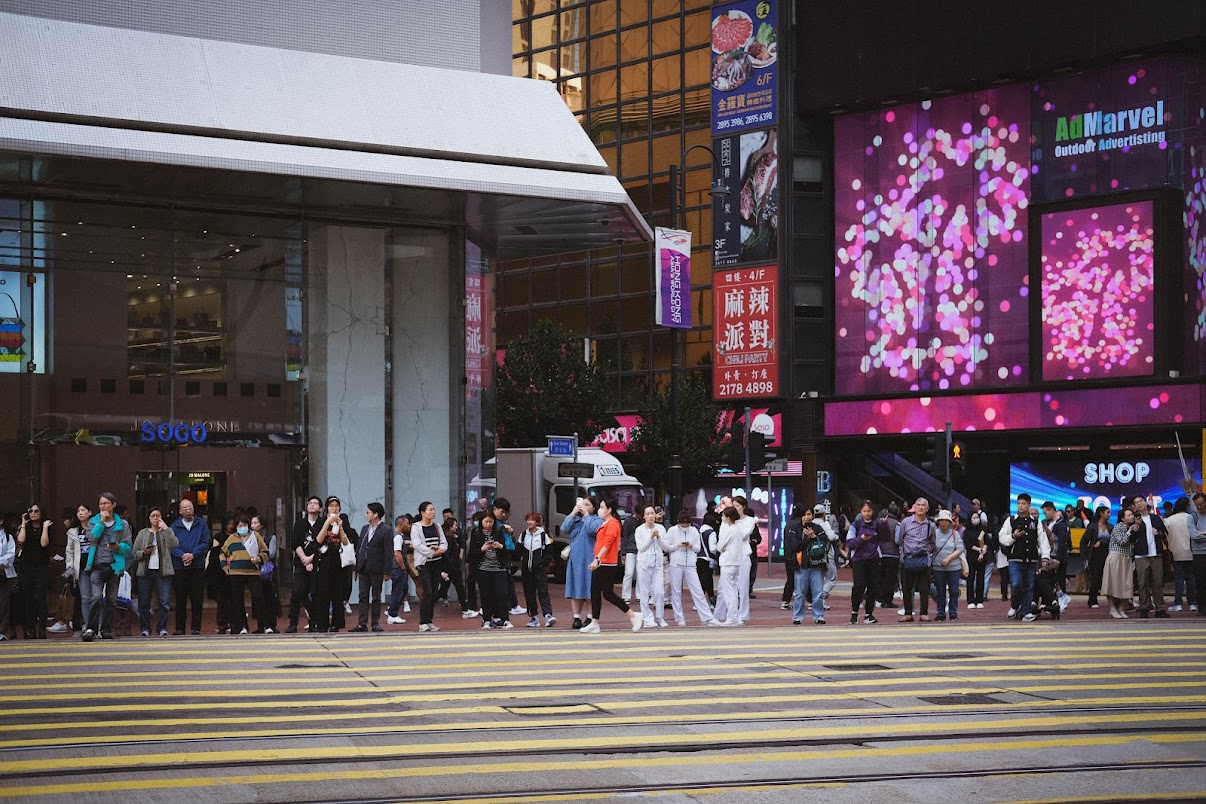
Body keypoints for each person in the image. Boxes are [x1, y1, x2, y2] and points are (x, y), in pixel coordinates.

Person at [579, 498, 641, 633]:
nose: (600, 510)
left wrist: (597, 559)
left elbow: (608, 543)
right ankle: (595, 622)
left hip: (607, 563)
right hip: (602, 562)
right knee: (595, 592)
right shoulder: (606, 523)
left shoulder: (613, 523)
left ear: (609, 510)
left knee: (608, 594)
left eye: (602, 507)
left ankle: (633, 615)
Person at [82, 493, 131, 641]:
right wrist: (101, 522)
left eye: (106, 503)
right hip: (97, 565)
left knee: (111, 599)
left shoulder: (122, 524)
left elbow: (128, 546)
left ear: (113, 505)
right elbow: (92, 537)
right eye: (101, 504)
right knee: (96, 597)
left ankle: (106, 629)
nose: (103, 506)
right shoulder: (93, 521)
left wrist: (118, 547)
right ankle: (91, 628)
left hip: (114, 566)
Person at [999, 493, 1050, 622]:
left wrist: (1045, 557)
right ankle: (1015, 605)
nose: (1020, 506)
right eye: (1019, 503)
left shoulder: (1035, 522)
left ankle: (1026, 612)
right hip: (1015, 558)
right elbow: (1002, 537)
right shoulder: (1011, 520)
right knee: (1016, 584)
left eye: (1023, 504)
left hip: (1031, 559)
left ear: (1028, 505)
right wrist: (1013, 536)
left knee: (1029, 586)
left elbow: (1043, 540)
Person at [663, 510, 716, 626]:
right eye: (682, 525)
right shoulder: (672, 531)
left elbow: (698, 548)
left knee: (698, 590)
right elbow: (666, 547)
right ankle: (679, 618)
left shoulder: (694, 531)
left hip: (691, 564)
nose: (685, 527)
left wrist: (691, 545)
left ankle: (707, 617)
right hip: (676, 564)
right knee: (676, 592)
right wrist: (677, 545)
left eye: (686, 525)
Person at [308, 497, 352, 633]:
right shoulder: (321, 522)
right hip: (323, 562)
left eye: (336, 506)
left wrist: (341, 527)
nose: (334, 508)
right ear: (326, 508)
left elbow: (346, 542)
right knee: (323, 594)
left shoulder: (342, 521)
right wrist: (327, 523)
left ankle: (336, 624)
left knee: (338, 594)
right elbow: (318, 540)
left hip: (338, 562)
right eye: (332, 505)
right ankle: (322, 623)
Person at [133, 507, 177, 637]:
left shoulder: (166, 531)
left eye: (158, 515)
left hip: (163, 571)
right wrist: (144, 552)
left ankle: (162, 628)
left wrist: (166, 528)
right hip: (145, 572)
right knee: (144, 602)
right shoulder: (143, 533)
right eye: (153, 515)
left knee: (164, 602)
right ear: (149, 518)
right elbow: (134, 553)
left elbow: (174, 543)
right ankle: (145, 628)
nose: (156, 518)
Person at [221, 513, 268, 634]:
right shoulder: (231, 538)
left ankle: (261, 626)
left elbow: (265, 552)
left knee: (258, 597)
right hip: (236, 573)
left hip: (253, 572)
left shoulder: (255, 536)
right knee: (237, 600)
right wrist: (225, 567)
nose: (243, 528)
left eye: (245, 525)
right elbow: (222, 553)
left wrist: (258, 559)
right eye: (240, 525)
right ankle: (242, 626)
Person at [352, 502, 393, 632]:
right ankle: (362, 623)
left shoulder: (386, 530)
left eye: (368, 512)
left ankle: (375, 623)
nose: (366, 515)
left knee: (376, 596)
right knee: (363, 596)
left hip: (377, 568)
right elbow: (359, 548)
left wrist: (387, 571)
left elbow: (388, 551)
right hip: (363, 567)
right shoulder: (365, 529)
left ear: (375, 514)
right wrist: (356, 567)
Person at [562, 497, 601, 629]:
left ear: (594, 507)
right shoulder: (575, 520)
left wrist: (586, 515)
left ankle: (590, 616)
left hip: (590, 558)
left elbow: (592, 529)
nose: (583, 506)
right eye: (581, 504)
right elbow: (564, 528)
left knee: (589, 588)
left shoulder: (597, 520)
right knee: (575, 587)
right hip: (575, 558)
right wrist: (573, 513)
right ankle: (576, 617)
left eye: (587, 504)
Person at [895, 497, 936, 622]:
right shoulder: (905, 522)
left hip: (923, 560)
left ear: (927, 509)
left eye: (923, 505)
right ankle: (908, 613)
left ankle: (923, 613)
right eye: (918, 505)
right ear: (914, 507)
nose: (920, 507)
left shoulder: (930, 525)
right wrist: (904, 554)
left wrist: (926, 551)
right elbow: (899, 540)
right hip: (908, 559)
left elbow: (933, 543)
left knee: (924, 588)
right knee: (907, 588)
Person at [285, 496, 322, 633]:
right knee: (297, 593)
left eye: (315, 503)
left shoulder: (323, 524)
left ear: (320, 508)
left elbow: (324, 545)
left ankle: (314, 622)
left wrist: (311, 559)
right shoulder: (300, 524)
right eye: (310, 503)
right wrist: (304, 559)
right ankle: (293, 623)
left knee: (315, 594)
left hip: (317, 563)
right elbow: (295, 543)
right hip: (301, 563)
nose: (312, 505)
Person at [468, 511, 511, 628]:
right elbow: (471, 554)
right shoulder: (476, 533)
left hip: (499, 568)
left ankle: (504, 619)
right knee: (486, 595)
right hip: (483, 568)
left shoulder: (498, 532)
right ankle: (486, 619)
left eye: (491, 522)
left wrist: (500, 546)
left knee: (502, 594)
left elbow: (507, 551)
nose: (488, 524)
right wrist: (482, 549)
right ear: (481, 522)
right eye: (486, 522)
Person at [785, 507, 829, 625]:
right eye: (804, 515)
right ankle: (797, 617)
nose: (806, 517)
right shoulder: (795, 529)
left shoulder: (818, 528)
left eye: (809, 514)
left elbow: (824, 541)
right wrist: (808, 539)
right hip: (801, 565)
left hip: (817, 564)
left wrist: (814, 537)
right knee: (800, 593)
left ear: (813, 515)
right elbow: (794, 546)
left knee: (818, 592)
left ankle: (818, 616)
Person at [1129, 495, 1169, 618]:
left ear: (1146, 502)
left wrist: (1158, 533)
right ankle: (1144, 608)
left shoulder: (1156, 518)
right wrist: (1135, 527)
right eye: (1136, 502)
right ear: (1134, 506)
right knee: (1142, 583)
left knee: (1157, 582)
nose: (1139, 504)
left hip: (1156, 554)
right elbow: (1130, 539)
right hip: (1141, 555)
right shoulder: (1134, 520)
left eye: (1141, 501)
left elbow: (1165, 534)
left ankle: (1160, 608)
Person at [410, 501, 448, 632]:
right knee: (428, 592)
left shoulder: (437, 526)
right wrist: (432, 552)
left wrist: (440, 549)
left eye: (433, 509)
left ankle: (429, 621)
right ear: (422, 512)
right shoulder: (416, 527)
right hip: (424, 564)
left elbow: (444, 542)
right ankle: (423, 622)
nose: (433, 512)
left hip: (436, 563)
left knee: (434, 592)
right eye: (430, 510)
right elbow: (417, 545)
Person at [16, 504, 51, 639]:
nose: (33, 513)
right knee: (28, 598)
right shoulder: (26, 527)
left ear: (41, 513)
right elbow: (21, 540)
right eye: (30, 511)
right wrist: (23, 524)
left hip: (42, 566)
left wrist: (45, 528)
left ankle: (42, 628)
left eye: (36, 511)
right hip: (27, 566)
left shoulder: (47, 526)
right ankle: (30, 628)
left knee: (42, 598)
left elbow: (44, 543)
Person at [846, 500, 880, 625]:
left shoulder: (877, 524)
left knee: (872, 587)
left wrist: (885, 525)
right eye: (864, 511)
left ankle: (868, 614)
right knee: (859, 585)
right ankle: (854, 612)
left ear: (873, 511)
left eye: (869, 511)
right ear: (860, 511)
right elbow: (850, 543)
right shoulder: (856, 525)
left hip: (873, 559)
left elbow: (885, 538)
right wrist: (861, 539)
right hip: (858, 559)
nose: (867, 513)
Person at [519, 512, 555, 628]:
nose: (529, 522)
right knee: (529, 594)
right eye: (528, 520)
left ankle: (548, 615)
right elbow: (518, 551)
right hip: (527, 570)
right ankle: (534, 617)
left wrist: (542, 564)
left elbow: (549, 553)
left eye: (532, 520)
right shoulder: (523, 535)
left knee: (543, 592)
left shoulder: (543, 536)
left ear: (537, 522)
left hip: (540, 570)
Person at [634, 505, 668, 628]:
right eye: (647, 514)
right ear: (643, 516)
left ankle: (660, 617)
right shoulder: (639, 530)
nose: (650, 516)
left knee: (659, 592)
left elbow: (665, 547)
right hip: (644, 564)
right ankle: (648, 619)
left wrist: (658, 537)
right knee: (644, 593)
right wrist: (650, 537)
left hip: (657, 564)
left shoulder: (661, 528)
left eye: (652, 513)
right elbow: (641, 548)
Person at [490, 498, 525, 617]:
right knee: (500, 585)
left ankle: (512, 605)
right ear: (495, 508)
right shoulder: (493, 522)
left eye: (506, 512)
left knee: (508, 582)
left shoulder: (502, 523)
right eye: (502, 511)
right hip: (496, 556)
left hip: (505, 553)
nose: (504, 515)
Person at [1102, 508, 1139, 618]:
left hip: (1127, 558)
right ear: (1122, 518)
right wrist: (1130, 531)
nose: (1131, 517)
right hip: (1116, 557)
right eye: (1128, 515)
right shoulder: (1118, 527)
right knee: (1113, 584)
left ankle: (1121, 608)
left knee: (1126, 585)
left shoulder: (1134, 528)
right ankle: (1112, 609)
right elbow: (1121, 541)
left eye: (1132, 514)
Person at [436, 517, 473, 617]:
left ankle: (465, 608)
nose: (456, 527)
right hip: (451, 568)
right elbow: (447, 556)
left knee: (446, 589)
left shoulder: (452, 537)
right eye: (454, 525)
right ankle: (465, 609)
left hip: (452, 567)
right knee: (457, 588)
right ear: (450, 527)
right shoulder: (447, 539)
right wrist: (448, 569)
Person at [930, 510, 963, 622]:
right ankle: (940, 613)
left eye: (946, 520)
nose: (944, 522)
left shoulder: (955, 534)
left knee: (954, 591)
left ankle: (953, 613)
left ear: (950, 522)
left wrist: (949, 558)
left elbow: (960, 549)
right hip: (938, 567)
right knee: (940, 591)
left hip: (954, 567)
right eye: (941, 520)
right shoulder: (934, 533)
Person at [1165, 497, 1195, 613]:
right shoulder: (1191, 518)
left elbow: (1165, 535)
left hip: (1176, 552)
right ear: (1187, 506)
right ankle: (1192, 603)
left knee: (1179, 578)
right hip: (1191, 551)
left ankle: (1178, 603)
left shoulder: (1169, 520)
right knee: (1191, 578)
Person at [250, 515, 279, 633]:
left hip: (267, 571)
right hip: (254, 570)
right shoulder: (250, 537)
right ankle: (260, 625)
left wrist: (258, 556)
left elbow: (271, 554)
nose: (253, 525)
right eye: (252, 523)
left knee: (269, 598)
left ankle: (271, 625)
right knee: (258, 598)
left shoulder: (270, 536)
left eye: (255, 523)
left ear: (261, 525)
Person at [386, 514, 414, 624]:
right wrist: (402, 566)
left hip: (393, 567)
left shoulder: (392, 534)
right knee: (399, 590)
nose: (409, 526)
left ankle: (392, 610)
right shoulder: (398, 537)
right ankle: (392, 614)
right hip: (397, 567)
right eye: (407, 524)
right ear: (401, 524)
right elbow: (397, 553)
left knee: (401, 589)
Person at [1083, 506, 1112, 609]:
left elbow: (1113, 540)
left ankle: (1113, 601)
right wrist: (1085, 555)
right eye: (1107, 512)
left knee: (1108, 577)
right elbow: (1084, 541)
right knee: (1095, 577)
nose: (1109, 514)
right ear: (1101, 513)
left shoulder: (1110, 527)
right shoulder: (1093, 526)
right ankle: (1092, 600)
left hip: (1107, 553)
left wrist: (1103, 543)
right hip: (1096, 554)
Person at [963, 499, 989, 608]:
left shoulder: (982, 530)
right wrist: (978, 549)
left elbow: (987, 542)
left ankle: (979, 600)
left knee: (980, 578)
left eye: (977, 517)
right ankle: (970, 600)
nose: (976, 520)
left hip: (982, 557)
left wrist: (983, 551)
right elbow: (968, 544)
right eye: (973, 518)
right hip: (971, 556)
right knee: (970, 578)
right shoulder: (966, 531)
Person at [876, 501, 902, 609]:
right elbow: (897, 540)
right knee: (890, 579)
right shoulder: (897, 524)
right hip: (893, 554)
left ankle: (880, 598)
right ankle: (888, 600)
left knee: (881, 577)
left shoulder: (880, 522)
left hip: (880, 553)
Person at [619, 502, 643, 603]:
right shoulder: (630, 521)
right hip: (631, 550)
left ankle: (636, 595)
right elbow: (624, 537)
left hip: (637, 549)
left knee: (638, 574)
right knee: (630, 573)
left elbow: (624, 536)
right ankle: (627, 596)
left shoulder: (629, 520)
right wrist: (623, 552)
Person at [697, 510, 719, 607]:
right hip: (708, 559)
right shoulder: (711, 533)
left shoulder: (699, 531)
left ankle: (707, 600)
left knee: (702, 580)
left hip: (698, 558)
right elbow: (712, 549)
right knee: (707, 580)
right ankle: (709, 600)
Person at [0, 518, 16, 640]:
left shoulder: (8, 537)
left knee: (4, 603)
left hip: (4, 573)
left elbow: (11, 555)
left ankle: (2, 631)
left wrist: (1, 562)